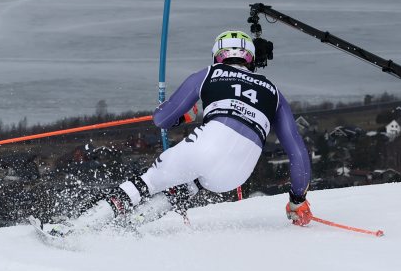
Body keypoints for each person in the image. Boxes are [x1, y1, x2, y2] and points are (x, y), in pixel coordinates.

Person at [44, 29, 312, 236]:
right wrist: (297, 200)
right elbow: (297, 152)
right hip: (238, 172)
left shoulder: (210, 73)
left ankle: (76, 228)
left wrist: (182, 117)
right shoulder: (274, 92)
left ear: (218, 55)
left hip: (209, 141)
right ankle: (136, 222)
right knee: (191, 183)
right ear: (250, 58)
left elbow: (162, 118)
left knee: (147, 182)